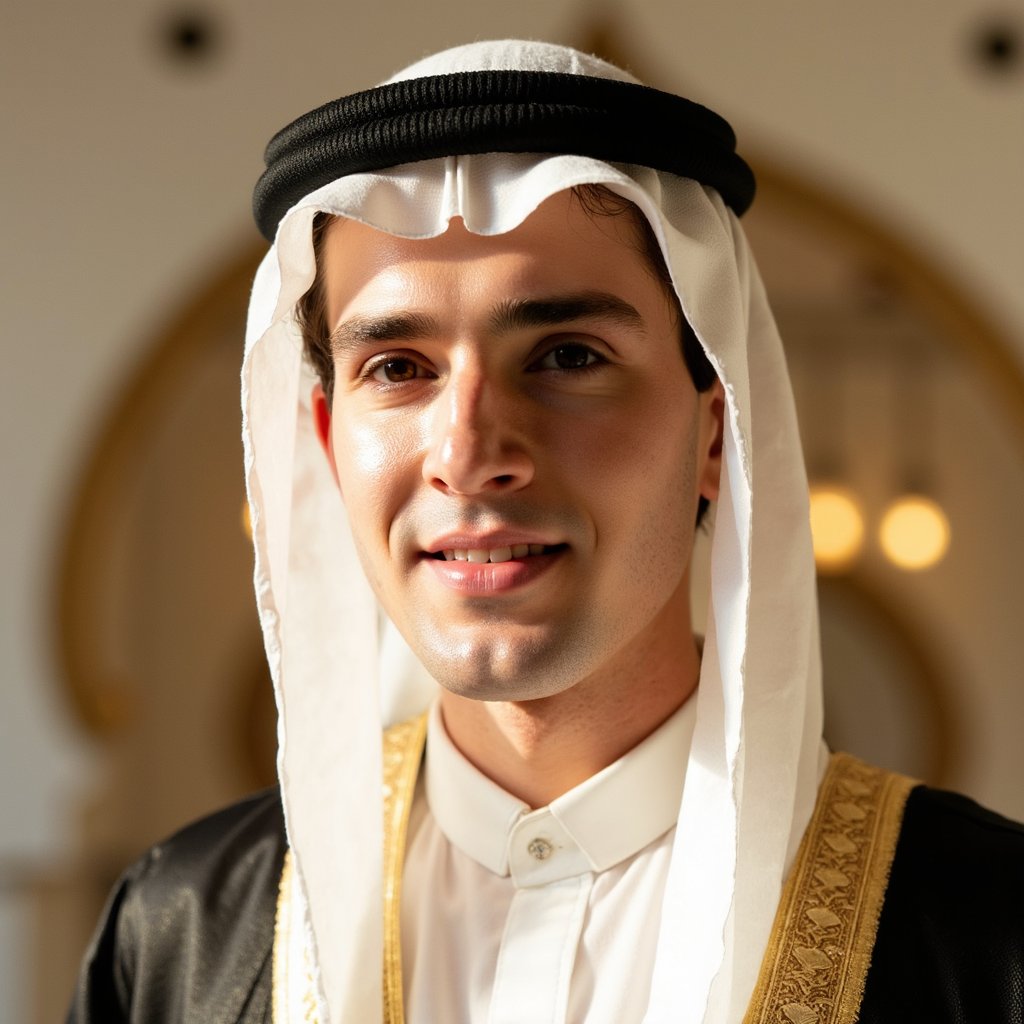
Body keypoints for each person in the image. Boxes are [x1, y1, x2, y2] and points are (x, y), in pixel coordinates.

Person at [68, 39, 1023, 1024]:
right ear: (324, 443)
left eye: (567, 354)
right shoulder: (178, 937)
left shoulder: (990, 937)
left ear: (716, 430)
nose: (472, 450)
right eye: (397, 367)